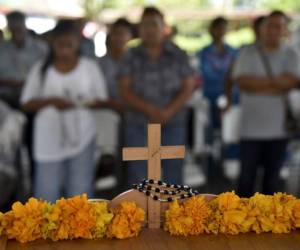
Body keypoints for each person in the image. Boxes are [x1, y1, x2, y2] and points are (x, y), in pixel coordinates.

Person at [21, 20, 108, 202]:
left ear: (78, 43)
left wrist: (82, 102)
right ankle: (46, 230)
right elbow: (26, 103)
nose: (65, 50)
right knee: (47, 190)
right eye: (60, 45)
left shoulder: (89, 67)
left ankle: (80, 230)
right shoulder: (41, 69)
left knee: (80, 191)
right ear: (52, 44)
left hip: (82, 135)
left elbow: (102, 99)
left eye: (69, 45)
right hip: (49, 137)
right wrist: (51, 101)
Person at [119, 7, 195, 185]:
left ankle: (174, 213)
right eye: (144, 25)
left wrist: (168, 111)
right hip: (138, 123)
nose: (149, 29)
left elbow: (188, 86)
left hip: (173, 121)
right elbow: (124, 89)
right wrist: (150, 110)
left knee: (173, 175)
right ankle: (140, 213)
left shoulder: (178, 54)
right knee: (139, 176)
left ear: (164, 27)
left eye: (154, 24)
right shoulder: (130, 55)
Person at [232, 11, 299, 197]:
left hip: (279, 129)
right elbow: (243, 82)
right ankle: (240, 222)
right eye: (269, 26)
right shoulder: (247, 52)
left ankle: (270, 224)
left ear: (284, 29)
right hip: (250, 129)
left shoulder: (291, 53)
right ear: (261, 28)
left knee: (272, 181)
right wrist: (276, 85)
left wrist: (257, 85)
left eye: (278, 26)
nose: (273, 31)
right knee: (246, 180)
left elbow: (291, 81)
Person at [197, 17, 237, 178]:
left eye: (223, 28)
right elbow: (206, 74)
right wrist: (225, 80)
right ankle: (212, 165)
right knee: (211, 133)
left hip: (231, 99)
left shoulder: (233, 52)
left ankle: (229, 163)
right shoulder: (204, 53)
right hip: (211, 98)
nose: (221, 31)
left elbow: (236, 75)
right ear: (211, 30)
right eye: (218, 28)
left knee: (231, 133)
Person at [0, 11, 47, 109]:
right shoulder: (2, 49)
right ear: (8, 28)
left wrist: (28, 83)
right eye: (13, 29)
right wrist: (9, 83)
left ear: (24, 26)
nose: (16, 33)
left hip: (33, 96)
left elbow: (47, 74)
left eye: (18, 28)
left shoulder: (41, 49)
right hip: (5, 97)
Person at [99, 18, 134, 113]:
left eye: (122, 34)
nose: (119, 38)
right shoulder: (99, 64)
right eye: (115, 33)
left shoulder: (138, 62)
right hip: (107, 112)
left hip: (136, 113)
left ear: (130, 36)